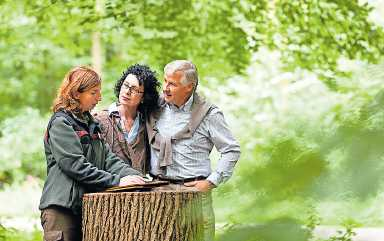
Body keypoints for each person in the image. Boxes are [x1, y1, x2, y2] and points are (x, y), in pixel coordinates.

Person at [39, 66, 145, 241]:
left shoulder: (91, 123)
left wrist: (137, 179)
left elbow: (109, 160)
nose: (99, 98)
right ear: (76, 93)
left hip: (87, 210)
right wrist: (117, 182)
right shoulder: (61, 123)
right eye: (94, 93)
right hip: (61, 211)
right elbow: (75, 166)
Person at [147, 60, 241, 240]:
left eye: (172, 84)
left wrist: (211, 181)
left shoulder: (209, 114)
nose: (165, 88)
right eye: (165, 81)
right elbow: (124, 110)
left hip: (194, 193)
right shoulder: (154, 107)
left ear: (189, 87)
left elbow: (231, 150)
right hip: (158, 193)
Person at [94, 64, 159, 173]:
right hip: (108, 186)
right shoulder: (100, 119)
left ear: (144, 97)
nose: (127, 92)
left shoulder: (147, 123)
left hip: (139, 187)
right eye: (126, 85)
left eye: (134, 89)